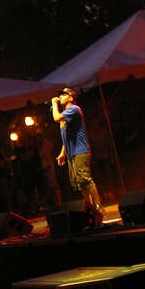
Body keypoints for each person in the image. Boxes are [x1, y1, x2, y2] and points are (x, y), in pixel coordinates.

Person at [51, 87, 103, 224]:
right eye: (59, 96)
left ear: (71, 97)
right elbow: (66, 136)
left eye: (63, 95)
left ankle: (99, 208)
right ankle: (90, 209)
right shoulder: (65, 114)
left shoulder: (74, 109)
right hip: (71, 153)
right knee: (80, 183)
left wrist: (54, 104)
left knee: (85, 179)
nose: (60, 97)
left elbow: (56, 118)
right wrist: (62, 153)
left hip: (80, 150)